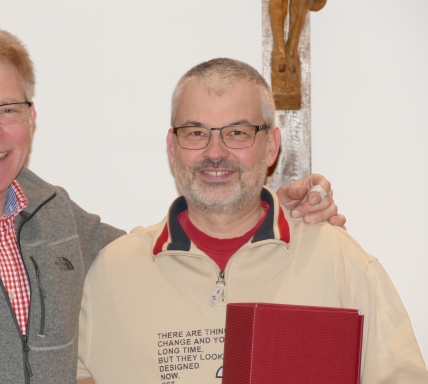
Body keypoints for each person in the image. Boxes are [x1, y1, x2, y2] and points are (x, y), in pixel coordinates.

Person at [0, 28, 341, 383]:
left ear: (32, 119)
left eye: (8, 109)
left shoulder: (62, 225)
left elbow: (170, 252)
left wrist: (270, 211)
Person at [77, 58, 428, 383]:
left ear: (271, 146)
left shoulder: (338, 260)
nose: (215, 152)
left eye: (238, 132)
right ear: (172, 147)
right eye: (196, 133)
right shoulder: (111, 274)